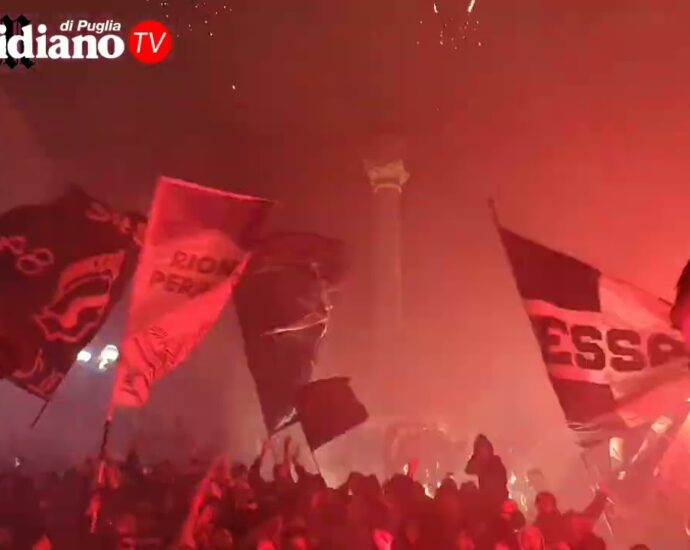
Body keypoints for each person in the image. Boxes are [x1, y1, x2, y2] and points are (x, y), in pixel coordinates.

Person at [465, 435, 508, 512]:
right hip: (486, 504)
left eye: (484, 450)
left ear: (489, 450)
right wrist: (475, 457)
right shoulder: (481, 465)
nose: (483, 453)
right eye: (480, 451)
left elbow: (499, 485)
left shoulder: (496, 464)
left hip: (498, 504)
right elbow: (468, 470)